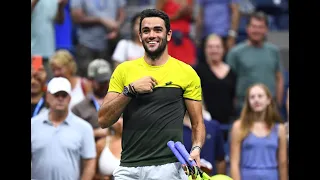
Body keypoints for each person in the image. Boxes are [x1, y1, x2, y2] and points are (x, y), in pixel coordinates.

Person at [98, 9, 206, 180]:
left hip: (167, 168)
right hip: (128, 167)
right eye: (146, 31)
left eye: (158, 30)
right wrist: (130, 91)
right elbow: (104, 120)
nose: (151, 35)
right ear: (140, 36)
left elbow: (197, 122)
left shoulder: (187, 73)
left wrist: (196, 149)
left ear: (168, 35)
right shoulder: (123, 71)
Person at [31, 77, 96, 180]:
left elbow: (90, 163)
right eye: (56, 95)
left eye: (64, 95)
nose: (60, 98)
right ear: (47, 97)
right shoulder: (33, 125)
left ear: (69, 98)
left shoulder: (84, 128)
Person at [226, 11, 284, 116]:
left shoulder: (274, 51)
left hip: (269, 108)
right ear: (247, 28)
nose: (257, 30)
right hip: (244, 108)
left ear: (266, 30)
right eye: (254, 26)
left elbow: (279, 78)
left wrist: (277, 104)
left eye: (260, 27)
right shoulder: (235, 52)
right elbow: (228, 82)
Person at [229, 83, 288, 180]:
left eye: (260, 96)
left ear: (268, 100)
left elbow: (283, 163)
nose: (256, 100)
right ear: (248, 102)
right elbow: (234, 163)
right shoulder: (239, 126)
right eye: (252, 97)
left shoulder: (280, 129)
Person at [70, 0, 126, 76]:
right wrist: (100, 20)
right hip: (87, 44)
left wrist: (116, 27)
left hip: (110, 44)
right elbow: (76, 17)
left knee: (110, 78)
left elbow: (122, 13)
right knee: (88, 77)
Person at [195, 34, 236, 134]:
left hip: (228, 124)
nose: (214, 50)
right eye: (210, 47)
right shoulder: (197, 70)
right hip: (206, 124)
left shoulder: (231, 72)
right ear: (205, 50)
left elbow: (234, 97)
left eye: (218, 47)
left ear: (223, 49)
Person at [72, 59, 112, 141]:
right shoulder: (79, 108)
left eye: (106, 81)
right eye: (101, 82)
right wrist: (95, 133)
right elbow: (72, 134)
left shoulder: (120, 102)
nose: (104, 84)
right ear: (90, 80)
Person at [31, 0, 68, 79]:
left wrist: (60, 6)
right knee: (35, 80)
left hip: (50, 53)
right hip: (34, 53)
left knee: (51, 83)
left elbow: (60, 21)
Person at [156, 0, 196, 66]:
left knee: (188, 68)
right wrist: (176, 15)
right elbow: (157, 17)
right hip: (170, 41)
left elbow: (191, 17)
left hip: (185, 39)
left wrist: (188, 12)